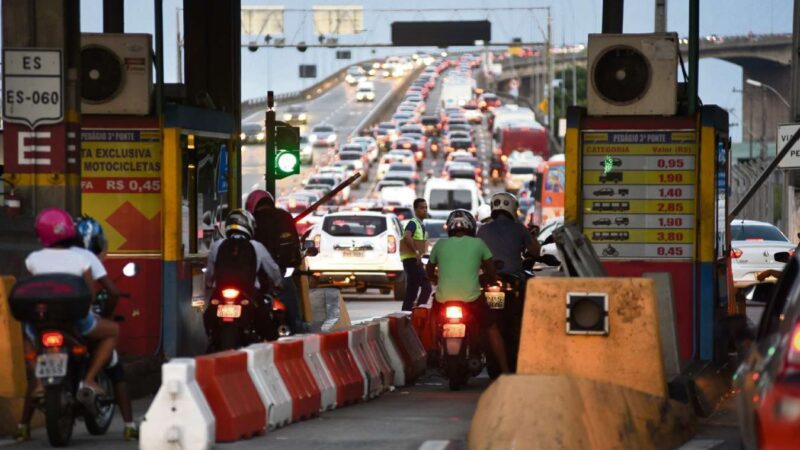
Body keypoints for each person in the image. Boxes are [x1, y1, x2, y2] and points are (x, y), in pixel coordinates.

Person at [14, 209, 120, 441]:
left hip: (40, 322)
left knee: (27, 338)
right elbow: (91, 293)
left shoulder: (33, 259)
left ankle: (40, 383)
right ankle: (90, 378)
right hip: (76, 322)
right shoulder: (82, 258)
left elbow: (25, 289)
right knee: (113, 331)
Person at [72, 216, 138, 440]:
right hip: (82, 321)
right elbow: (113, 292)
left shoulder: (52, 255)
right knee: (114, 365)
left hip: (50, 321)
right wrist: (108, 315)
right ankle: (129, 424)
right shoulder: (88, 256)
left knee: (37, 369)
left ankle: (23, 425)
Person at [426, 209, 509, 374]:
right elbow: (490, 269)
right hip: (472, 299)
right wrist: (493, 279)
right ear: (471, 227)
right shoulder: (478, 244)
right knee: (491, 327)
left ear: (449, 227)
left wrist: (434, 279)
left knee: (433, 316)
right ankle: (505, 370)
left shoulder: (440, 245)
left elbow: (429, 269)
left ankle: (434, 349)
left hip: (444, 299)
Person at [205, 209, 283, 341]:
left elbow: (210, 272)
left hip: (220, 292)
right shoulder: (256, 246)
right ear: (249, 225)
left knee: (208, 313)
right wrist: (278, 283)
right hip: (248, 293)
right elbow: (273, 269)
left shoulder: (217, 245)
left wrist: (208, 285)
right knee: (267, 327)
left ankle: (213, 339)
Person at [246, 190, 303, 333]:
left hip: (256, 276)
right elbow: (296, 251)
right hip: (282, 275)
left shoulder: (252, 221)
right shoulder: (285, 217)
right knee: (295, 319)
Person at [476, 192, 540, 278]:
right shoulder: (519, 228)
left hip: (489, 278)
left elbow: (476, 257)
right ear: (513, 209)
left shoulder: (482, 230)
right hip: (514, 276)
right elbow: (535, 252)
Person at [399, 198, 432, 311]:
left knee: (412, 291)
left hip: (413, 260)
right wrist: (416, 252)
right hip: (411, 260)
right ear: (415, 210)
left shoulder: (419, 224)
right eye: (422, 208)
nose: (425, 210)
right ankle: (418, 311)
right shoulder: (413, 223)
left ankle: (406, 313)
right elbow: (407, 236)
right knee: (427, 287)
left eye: (426, 208)